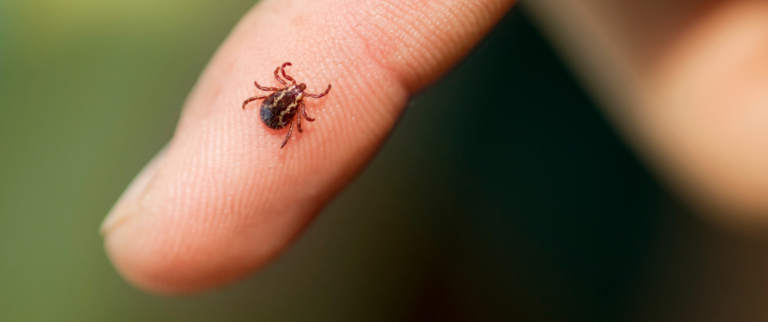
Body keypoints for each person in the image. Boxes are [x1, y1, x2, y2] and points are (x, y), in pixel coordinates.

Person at [100, 0, 768, 294]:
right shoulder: (296, 102)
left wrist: (277, 113)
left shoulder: (286, 101)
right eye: (287, 98)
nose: (289, 98)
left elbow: (274, 104)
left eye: (287, 97)